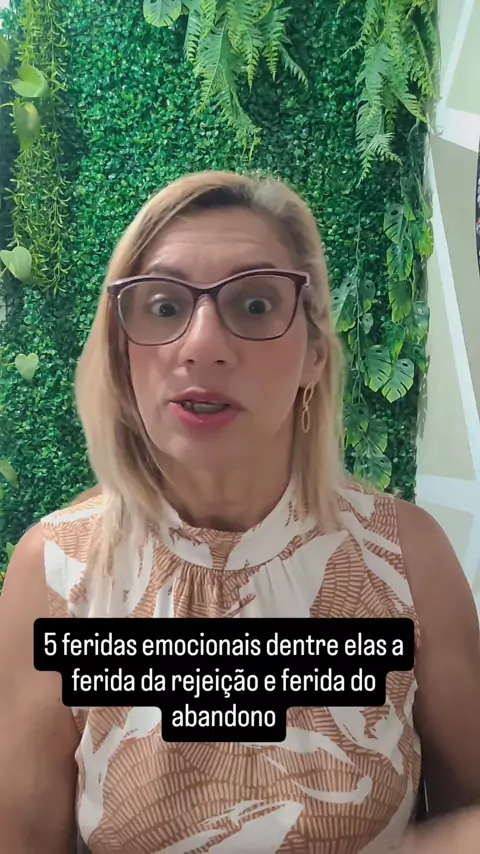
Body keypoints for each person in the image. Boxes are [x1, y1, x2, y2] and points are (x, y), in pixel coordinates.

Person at [0, 170, 479, 853]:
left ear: (315, 354)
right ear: (121, 350)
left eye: (254, 305)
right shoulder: (56, 574)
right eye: (163, 306)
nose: (202, 345)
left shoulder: (405, 558)